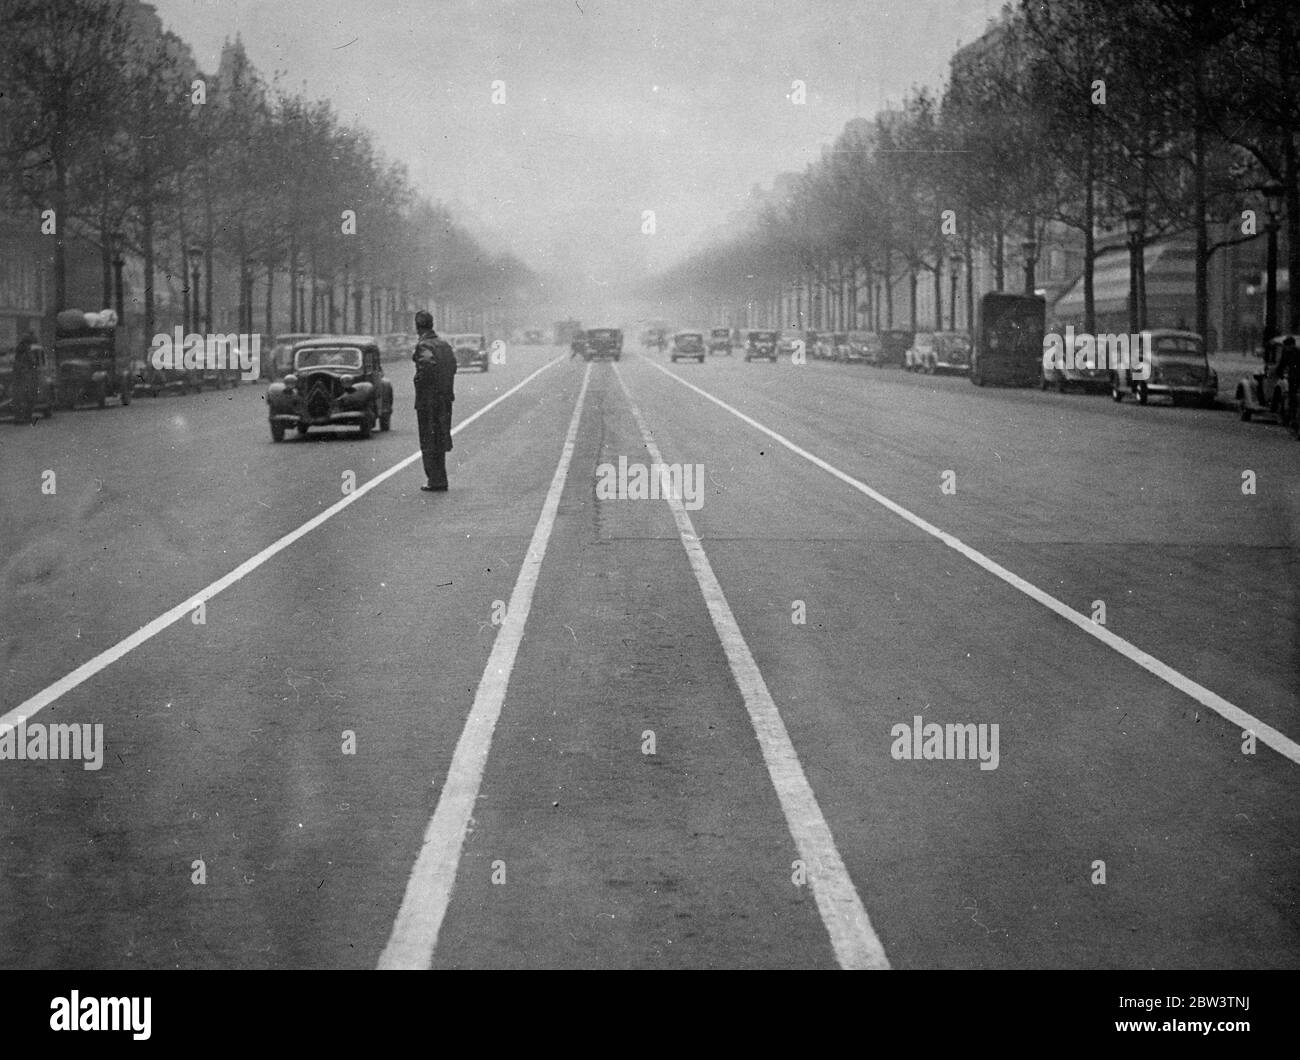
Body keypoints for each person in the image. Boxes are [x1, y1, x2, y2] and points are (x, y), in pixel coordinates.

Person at [412, 311, 457, 492]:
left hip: (428, 400)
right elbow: (453, 366)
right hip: (445, 397)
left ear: (418, 326)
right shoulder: (444, 344)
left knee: (428, 439)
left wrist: (419, 380)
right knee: (440, 437)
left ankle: (434, 479)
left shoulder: (423, 345)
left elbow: (427, 365)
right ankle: (440, 478)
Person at [12, 331, 38, 424]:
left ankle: (19, 418)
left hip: (18, 378)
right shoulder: (26, 351)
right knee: (29, 398)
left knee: (19, 399)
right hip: (26, 377)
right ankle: (26, 418)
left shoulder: (18, 352)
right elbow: (33, 361)